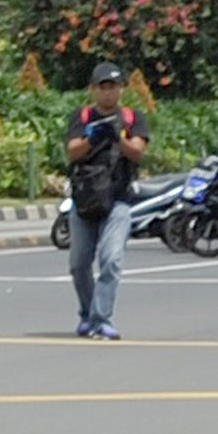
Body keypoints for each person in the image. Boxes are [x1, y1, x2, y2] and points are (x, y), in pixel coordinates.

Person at [66, 62, 150, 340]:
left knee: (111, 260)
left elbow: (137, 151)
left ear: (121, 89)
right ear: (93, 90)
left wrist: (117, 137)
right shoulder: (82, 116)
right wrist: (93, 137)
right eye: (102, 87)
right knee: (79, 264)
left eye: (112, 87)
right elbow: (73, 152)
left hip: (118, 198)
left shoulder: (132, 118)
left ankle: (102, 318)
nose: (107, 93)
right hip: (85, 199)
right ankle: (87, 313)